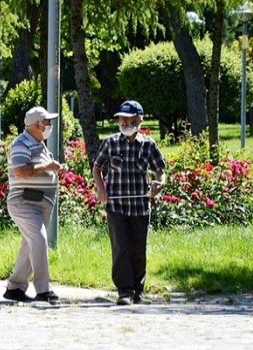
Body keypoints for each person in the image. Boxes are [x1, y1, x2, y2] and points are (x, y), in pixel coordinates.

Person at [92, 100, 166, 306]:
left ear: (139, 120)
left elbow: (161, 170)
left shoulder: (148, 144)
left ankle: (138, 290)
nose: (125, 122)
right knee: (121, 247)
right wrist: (101, 189)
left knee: (138, 249)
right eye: (122, 119)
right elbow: (96, 167)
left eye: (129, 119)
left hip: (140, 206)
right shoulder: (110, 142)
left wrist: (159, 183)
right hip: (116, 206)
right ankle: (124, 291)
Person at [3, 106, 62, 305]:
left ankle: (15, 287)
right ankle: (44, 289)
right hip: (24, 201)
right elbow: (20, 171)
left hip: (39, 201)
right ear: (37, 125)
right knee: (39, 239)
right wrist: (48, 167)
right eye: (47, 122)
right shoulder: (21, 143)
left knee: (30, 244)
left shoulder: (38, 143)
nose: (50, 126)